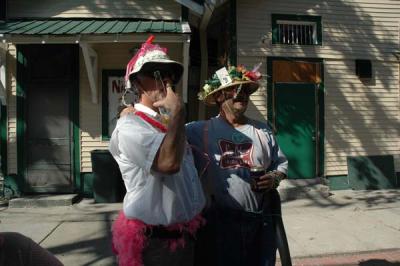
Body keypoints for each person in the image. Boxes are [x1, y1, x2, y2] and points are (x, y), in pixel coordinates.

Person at [109, 35, 206, 266]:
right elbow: (168, 164)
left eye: (170, 75)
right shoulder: (130, 126)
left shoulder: (169, 124)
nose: (166, 81)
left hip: (189, 234)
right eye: (157, 74)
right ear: (137, 83)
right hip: (157, 245)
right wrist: (178, 113)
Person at [186, 64, 288, 266]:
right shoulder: (198, 131)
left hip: (259, 222)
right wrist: (128, 112)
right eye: (232, 90)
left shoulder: (262, 130)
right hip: (217, 226)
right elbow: (163, 133)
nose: (240, 94)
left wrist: (275, 177)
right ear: (217, 97)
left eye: (245, 90)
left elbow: (281, 163)